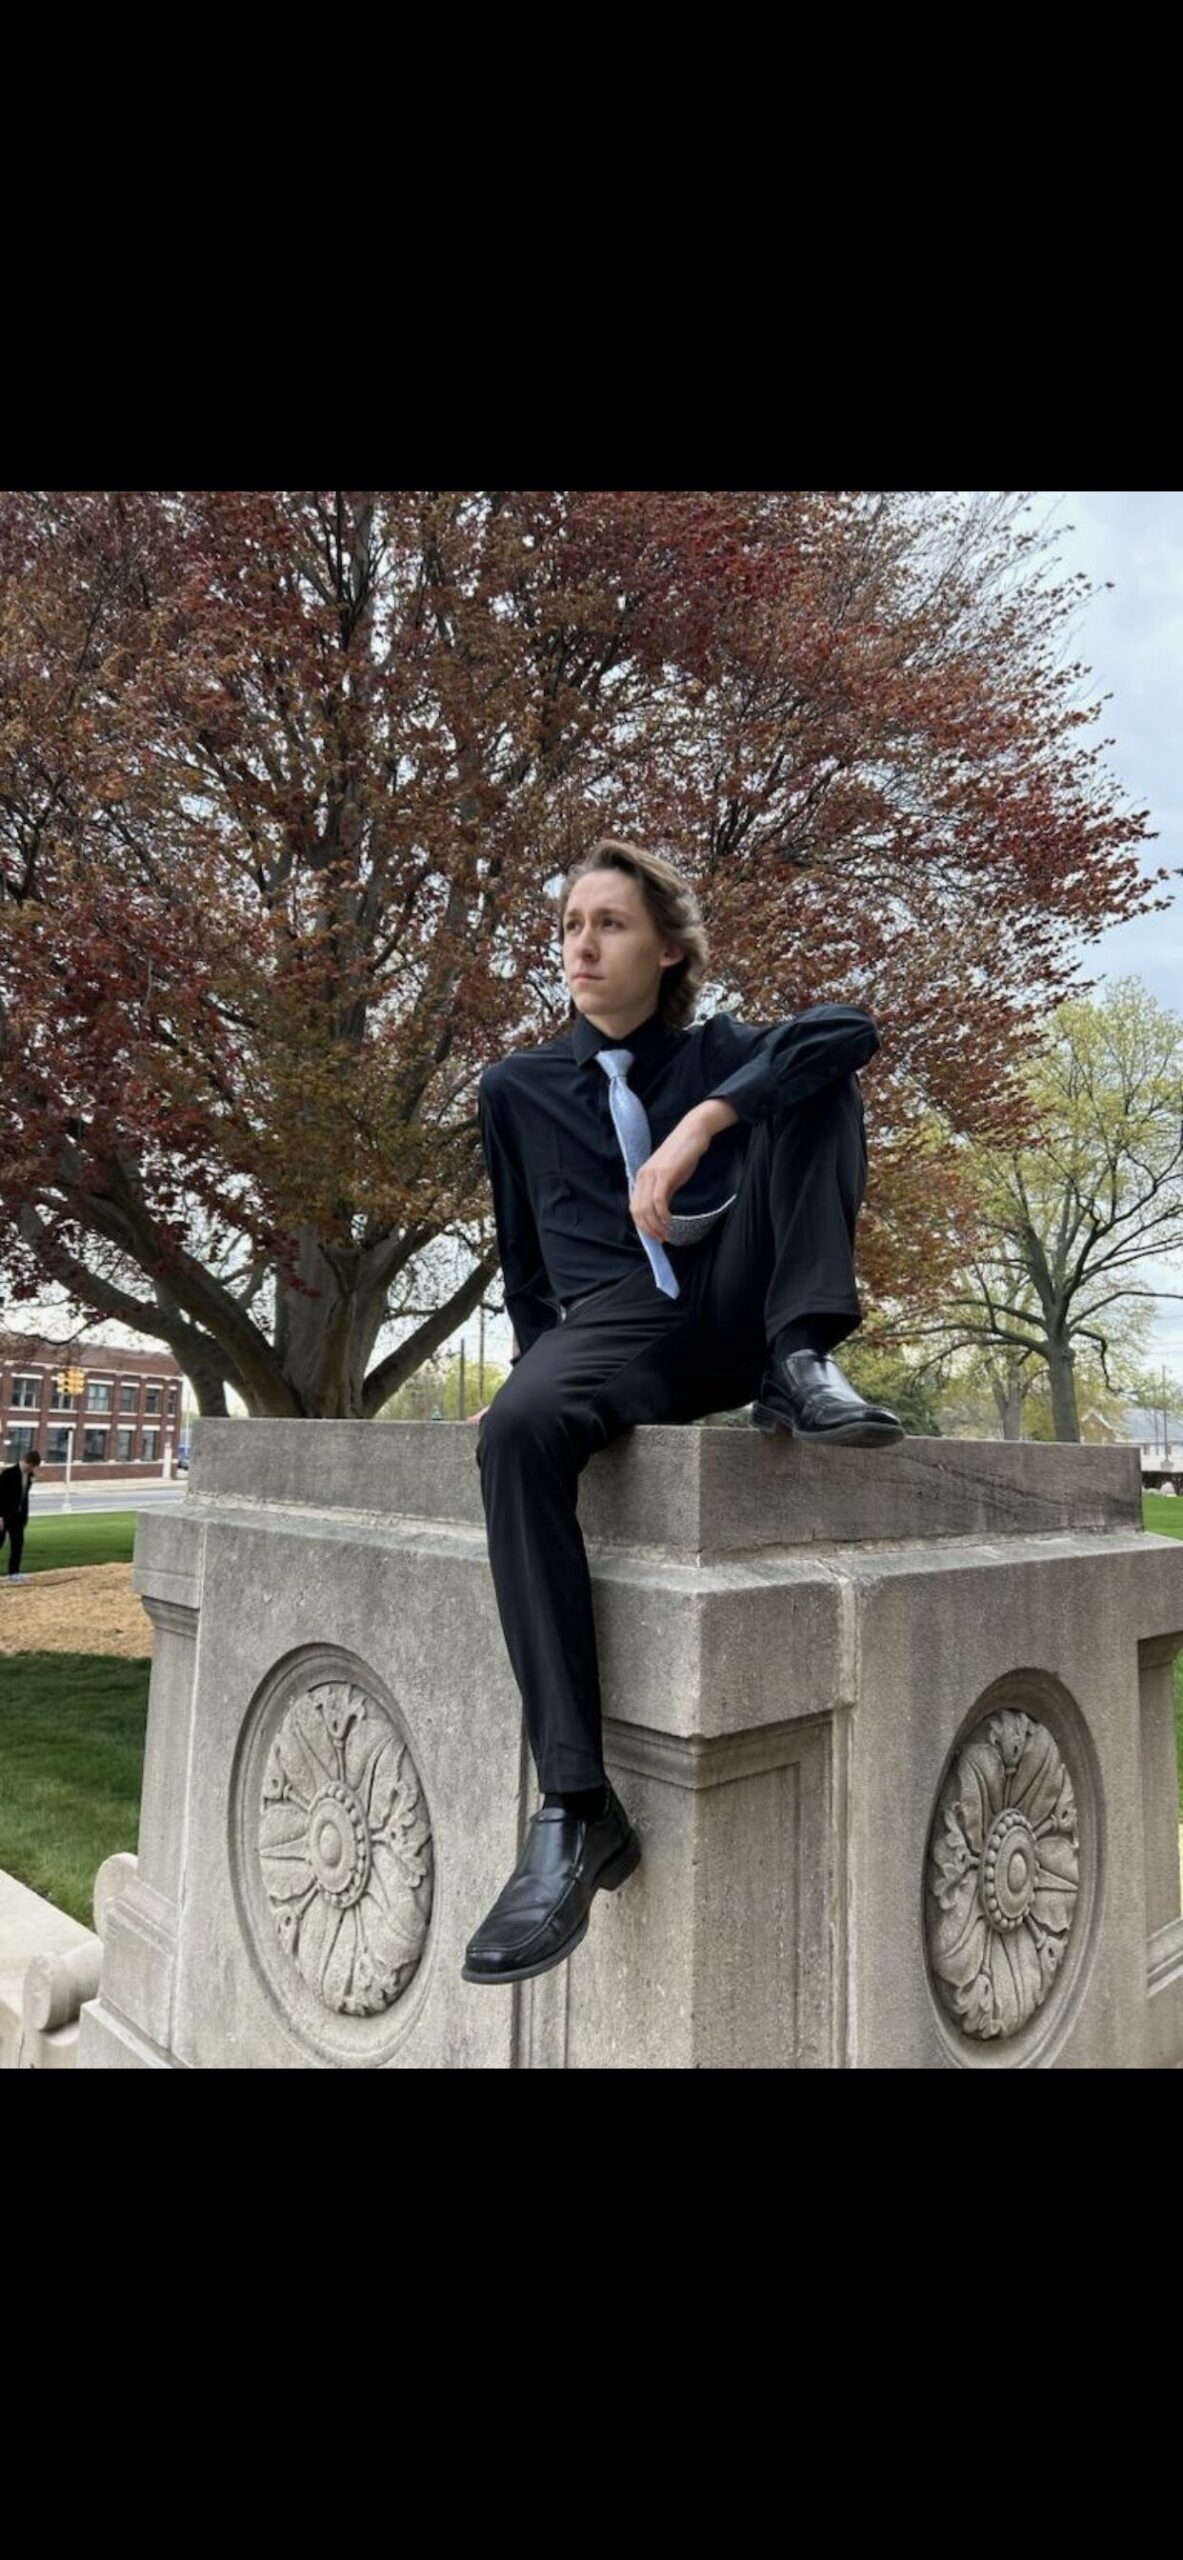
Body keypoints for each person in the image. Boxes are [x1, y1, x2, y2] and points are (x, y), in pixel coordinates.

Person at [462, 837, 902, 1989]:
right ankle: (574, 1811)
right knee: (515, 1432)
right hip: (616, 1326)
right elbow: (522, 1264)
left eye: (609, 923)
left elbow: (850, 1027)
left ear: (666, 948)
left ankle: (801, 1360)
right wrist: (537, 1374)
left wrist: (705, 1120)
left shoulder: (719, 1049)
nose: (581, 945)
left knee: (814, 1074)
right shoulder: (514, 1089)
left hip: (740, 1295)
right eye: (570, 924)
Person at [0, 1447, 43, 1581]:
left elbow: (24, 1497)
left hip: (18, 1517)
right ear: (27, 1462)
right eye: (32, 1466)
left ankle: (14, 1572)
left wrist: (24, 1516)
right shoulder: (8, 1474)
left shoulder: (29, 1476)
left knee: (17, 1544)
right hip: (4, 1515)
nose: (32, 1469)